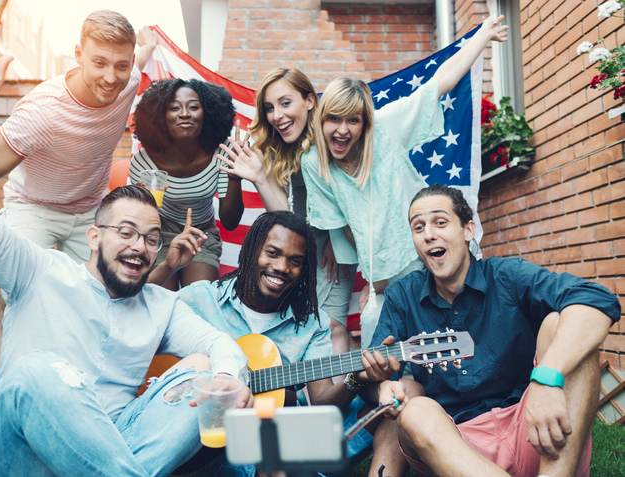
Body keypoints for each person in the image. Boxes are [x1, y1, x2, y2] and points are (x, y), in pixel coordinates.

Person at [0, 18, 250, 476]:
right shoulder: (40, 272)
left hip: (116, 441)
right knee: (37, 371)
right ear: (95, 236)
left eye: (148, 238)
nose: (138, 246)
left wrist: (225, 375)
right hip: (25, 456)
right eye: (125, 232)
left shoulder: (159, 306)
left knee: (202, 371)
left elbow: (221, 343)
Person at [366, 185, 620, 477]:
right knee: (415, 412)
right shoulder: (403, 296)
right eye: (418, 227)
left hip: (536, 430)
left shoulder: (506, 275)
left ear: (468, 229)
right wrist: (383, 386)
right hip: (457, 449)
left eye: (440, 222)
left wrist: (546, 378)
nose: (428, 234)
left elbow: (597, 300)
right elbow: (374, 377)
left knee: (563, 325)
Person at [0, 10, 160, 390]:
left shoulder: (129, 79)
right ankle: (0, 416)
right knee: (17, 307)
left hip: (88, 211)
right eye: (99, 62)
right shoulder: (42, 112)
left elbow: (137, 58)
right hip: (32, 207)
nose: (110, 76)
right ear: (78, 54)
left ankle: (78, 403)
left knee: (92, 307)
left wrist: (147, 44)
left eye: (120, 65)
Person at [300, 16, 509, 348]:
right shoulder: (314, 164)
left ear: (364, 121)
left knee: (460, 343)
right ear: (321, 120)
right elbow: (344, 227)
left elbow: (440, 83)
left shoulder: (383, 129)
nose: (343, 130)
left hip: (427, 258)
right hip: (385, 283)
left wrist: (482, 36)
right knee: (379, 355)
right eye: (334, 119)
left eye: (352, 120)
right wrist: (371, 279)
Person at [179, 211, 418, 476]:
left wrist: (356, 378)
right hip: (192, 431)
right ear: (250, 250)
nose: (282, 267)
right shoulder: (201, 299)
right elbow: (145, 321)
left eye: (295, 261)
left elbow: (322, 402)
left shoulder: (311, 326)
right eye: (272, 253)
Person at [217, 68, 357, 355]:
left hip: (333, 259)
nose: (276, 115)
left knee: (331, 331)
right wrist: (258, 176)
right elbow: (289, 219)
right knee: (300, 333)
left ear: (309, 101)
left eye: (285, 103)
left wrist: (336, 235)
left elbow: (355, 200)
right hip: (298, 256)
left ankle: (338, 392)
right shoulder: (278, 150)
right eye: (269, 108)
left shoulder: (332, 140)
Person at [129, 78, 245, 290]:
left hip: (201, 234)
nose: (184, 113)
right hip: (160, 234)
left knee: (200, 302)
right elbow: (138, 218)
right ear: (160, 116)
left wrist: (235, 177)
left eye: (194, 107)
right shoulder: (144, 161)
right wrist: (144, 203)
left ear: (208, 114)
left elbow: (230, 221)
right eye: (174, 107)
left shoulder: (222, 153)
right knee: (160, 301)